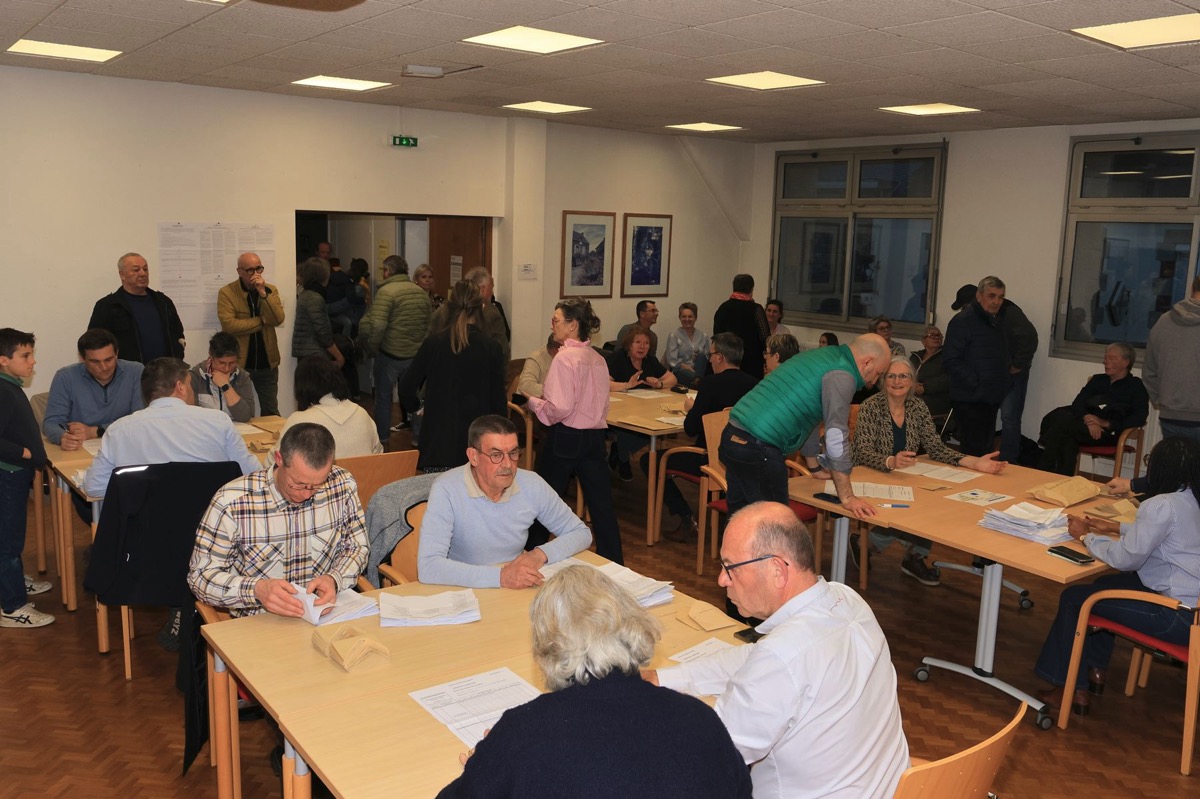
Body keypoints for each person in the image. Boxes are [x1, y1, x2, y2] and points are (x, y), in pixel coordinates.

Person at [646, 502, 909, 799]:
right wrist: (664, 678)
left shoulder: (781, 657)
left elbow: (709, 755)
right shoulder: (847, 599)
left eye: (730, 567)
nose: (722, 579)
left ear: (777, 570)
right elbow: (755, 657)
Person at [438, 565, 752, 799]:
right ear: (632, 625)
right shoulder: (700, 718)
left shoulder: (524, 732)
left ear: (548, 646)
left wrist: (486, 763)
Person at [1034, 437, 1200, 719]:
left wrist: (1086, 537)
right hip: (1192, 608)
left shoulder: (1160, 504)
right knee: (1102, 586)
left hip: (1176, 617)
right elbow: (1165, 533)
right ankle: (1094, 669)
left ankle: (1067, 688)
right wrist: (1115, 527)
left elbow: (1125, 559)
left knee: (1074, 599)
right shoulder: (1190, 497)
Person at [188, 423, 369, 618]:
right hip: (259, 620)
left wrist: (334, 578)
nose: (306, 494)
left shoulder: (341, 485)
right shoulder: (232, 502)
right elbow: (200, 577)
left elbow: (357, 547)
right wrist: (256, 590)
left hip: (322, 614)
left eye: (317, 486)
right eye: (298, 484)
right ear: (279, 459)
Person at [853, 357, 1006, 586]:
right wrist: (891, 461)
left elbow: (935, 447)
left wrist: (972, 462)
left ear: (912, 381)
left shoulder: (917, 407)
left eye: (903, 376)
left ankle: (914, 555)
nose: (897, 381)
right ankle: (864, 544)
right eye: (891, 376)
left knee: (933, 503)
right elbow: (862, 451)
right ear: (883, 380)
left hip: (905, 475)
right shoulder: (871, 406)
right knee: (910, 510)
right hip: (870, 473)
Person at [720, 333, 891, 519]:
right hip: (759, 447)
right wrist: (848, 496)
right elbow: (835, 435)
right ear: (867, 362)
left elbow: (809, 415)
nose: (874, 381)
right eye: (878, 373)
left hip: (733, 436)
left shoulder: (823, 356)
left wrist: (814, 467)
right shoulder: (843, 374)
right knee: (775, 525)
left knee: (740, 520)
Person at [417, 415, 592, 588]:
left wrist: (539, 554)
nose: (508, 464)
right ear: (473, 456)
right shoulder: (446, 489)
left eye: (513, 453)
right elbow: (429, 566)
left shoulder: (532, 483)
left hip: (515, 584)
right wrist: (501, 577)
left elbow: (581, 532)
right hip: (465, 587)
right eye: (496, 455)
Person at [526, 299, 623, 564]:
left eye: (556, 320)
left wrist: (534, 403)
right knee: (602, 506)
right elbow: (603, 403)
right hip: (595, 438)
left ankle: (528, 557)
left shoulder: (564, 358)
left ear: (572, 325)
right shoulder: (598, 359)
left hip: (566, 437)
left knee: (545, 501)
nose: (552, 325)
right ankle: (615, 563)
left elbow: (559, 407)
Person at [84, 357, 261, 500]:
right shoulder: (218, 421)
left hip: (146, 527)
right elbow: (254, 474)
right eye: (190, 384)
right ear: (180, 387)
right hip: (209, 524)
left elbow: (94, 487)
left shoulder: (118, 430)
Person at [657, 332, 758, 541]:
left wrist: (691, 409)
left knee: (652, 460)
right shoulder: (755, 385)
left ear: (720, 357)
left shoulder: (710, 384)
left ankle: (686, 516)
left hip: (708, 458)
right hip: (742, 458)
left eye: (711, 355)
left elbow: (690, 429)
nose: (709, 359)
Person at [400, 280, 506, 472]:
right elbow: (498, 404)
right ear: (481, 307)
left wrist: (418, 407)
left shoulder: (433, 344)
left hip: (438, 444)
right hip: (478, 446)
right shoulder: (491, 348)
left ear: (449, 307)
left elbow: (406, 387)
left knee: (439, 491)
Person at [0, 328, 55, 629]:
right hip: (8, 474)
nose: (33, 361)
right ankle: (12, 606)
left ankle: (14, 581)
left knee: (12, 536)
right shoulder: (3, 391)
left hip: (14, 474)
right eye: (26, 355)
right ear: (3, 360)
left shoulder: (10, 385)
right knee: (8, 541)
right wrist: (23, 452)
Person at [1036, 343, 1148, 476]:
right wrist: (1088, 419)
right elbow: (1077, 403)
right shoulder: (1098, 380)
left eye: (1111, 358)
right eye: (1105, 357)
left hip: (1107, 433)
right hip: (1083, 426)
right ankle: (1063, 479)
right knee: (1066, 438)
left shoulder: (1135, 386)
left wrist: (1106, 423)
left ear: (1125, 362)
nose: (1105, 362)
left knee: (1062, 426)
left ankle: (1043, 475)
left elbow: (1140, 417)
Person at [358, 254, 431, 444]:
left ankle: (383, 438)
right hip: (414, 357)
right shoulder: (420, 293)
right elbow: (428, 325)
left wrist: (372, 348)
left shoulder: (386, 292)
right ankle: (418, 438)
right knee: (415, 398)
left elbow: (378, 325)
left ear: (387, 271)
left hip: (389, 355)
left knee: (383, 399)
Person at [43, 328, 144, 450]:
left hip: (125, 446)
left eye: (108, 360)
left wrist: (96, 431)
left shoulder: (136, 372)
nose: (104, 367)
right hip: (81, 449)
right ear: (82, 359)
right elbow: (51, 423)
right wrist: (63, 437)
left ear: (117, 353)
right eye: (95, 362)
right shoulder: (65, 377)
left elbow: (140, 420)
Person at [943, 277, 1009, 457]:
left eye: (1001, 297)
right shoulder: (962, 321)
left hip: (990, 396)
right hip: (969, 398)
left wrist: (1001, 383)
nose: (996, 301)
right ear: (979, 296)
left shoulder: (996, 321)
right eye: (991, 296)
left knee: (985, 450)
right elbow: (950, 359)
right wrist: (977, 382)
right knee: (973, 452)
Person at [217, 252, 285, 416]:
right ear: (239, 271)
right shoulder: (227, 292)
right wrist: (261, 321)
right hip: (240, 364)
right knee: (241, 411)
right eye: (250, 270)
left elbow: (278, 319)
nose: (255, 274)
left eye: (259, 269)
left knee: (271, 411)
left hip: (267, 363)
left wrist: (263, 293)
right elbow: (229, 325)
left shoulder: (270, 290)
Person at [607, 325, 677, 481]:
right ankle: (623, 460)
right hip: (618, 410)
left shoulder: (650, 360)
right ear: (629, 344)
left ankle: (619, 450)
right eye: (637, 342)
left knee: (654, 429)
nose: (642, 347)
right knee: (627, 429)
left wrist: (658, 383)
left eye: (646, 343)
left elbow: (672, 379)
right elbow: (604, 383)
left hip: (643, 408)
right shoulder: (617, 358)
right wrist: (627, 385)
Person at [88, 252, 185, 364]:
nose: (143, 273)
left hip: (165, 371)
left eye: (145, 269)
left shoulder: (163, 302)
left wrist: (178, 355)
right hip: (127, 372)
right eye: (136, 270)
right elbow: (95, 343)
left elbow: (177, 333)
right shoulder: (108, 306)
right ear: (122, 275)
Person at [279, 355, 381, 458]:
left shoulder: (299, 421)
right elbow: (378, 455)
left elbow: (275, 460)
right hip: (362, 469)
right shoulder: (362, 414)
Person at [1144, 273, 1200, 446]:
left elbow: (1149, 371)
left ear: (1193, 289)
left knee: (1175, 462)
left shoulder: (1164, 321)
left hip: (1170, 416)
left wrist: (1161, 401)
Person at [995, 284, 1039, 464]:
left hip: (1012, 372)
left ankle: (1009, 460)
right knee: (1001, 416)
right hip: (996, 371)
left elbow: (1029, 337)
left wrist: (1018, 364)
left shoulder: (1009, 311)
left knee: (1010, 417)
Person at [431, 267, 510, 363]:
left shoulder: (441, 311)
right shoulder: (491, 313)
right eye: (491, 288)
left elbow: (428, 346)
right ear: (482, 289)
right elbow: (503, 353)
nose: (492, 292)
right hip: (479, 369)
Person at [189, 331, 257, 423]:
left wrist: (226, 386)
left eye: (232, 363)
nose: (226, 368)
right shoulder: (195, 376)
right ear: (211, 356)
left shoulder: (242, 377)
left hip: (236, 428)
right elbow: (191, 417)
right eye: (221, 363)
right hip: (207, 428)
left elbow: (246, 416)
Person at [292, 257, 344, 369]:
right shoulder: (314, 298)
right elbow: (322, 331)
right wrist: (339, 356)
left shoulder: (306, 293)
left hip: (307, 353)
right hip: (314, 355)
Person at [713, 274, 769, 378]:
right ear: (751, 289)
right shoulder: (756, 309)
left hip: (726, 361)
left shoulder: (723, 308)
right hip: (751, 363)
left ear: (734, 287)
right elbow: (765, 337)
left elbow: (717, 335)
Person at [663, 302, 709, 386]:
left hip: (700, 371)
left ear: (695, 318)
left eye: (690, 316)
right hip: (681, 370)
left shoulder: (703, 336)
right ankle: (698, 381)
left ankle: (698, 379)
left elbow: (707, 357)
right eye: (683, 316)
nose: (687, 319)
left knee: (702, 356)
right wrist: (686, 366)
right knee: (699, 381)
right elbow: (671, 361)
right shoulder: (674, 335)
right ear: (679, 318)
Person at [909, 325, 950, 420]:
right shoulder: (915, 357)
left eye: (939, 335)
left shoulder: (947, 357)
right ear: (923, 341)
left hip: (935, 398)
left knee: (909, 405)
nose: (936, 337)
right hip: (911, 393)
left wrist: (925, 387)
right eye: (932, 335)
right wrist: (912, 384)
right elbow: (905, 374)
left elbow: (949, 378)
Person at [516, 334, 559, 400]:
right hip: (530, 405)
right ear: (557, 349)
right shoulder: (536, 359)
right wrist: (554, 391)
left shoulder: (567, 360)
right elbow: (525, 386)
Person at [324, 256, 354, 336]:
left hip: (326, 307)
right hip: (336, 308)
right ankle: (345, 341)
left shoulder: (325, 277)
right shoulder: (344, 277)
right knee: (348, 323)